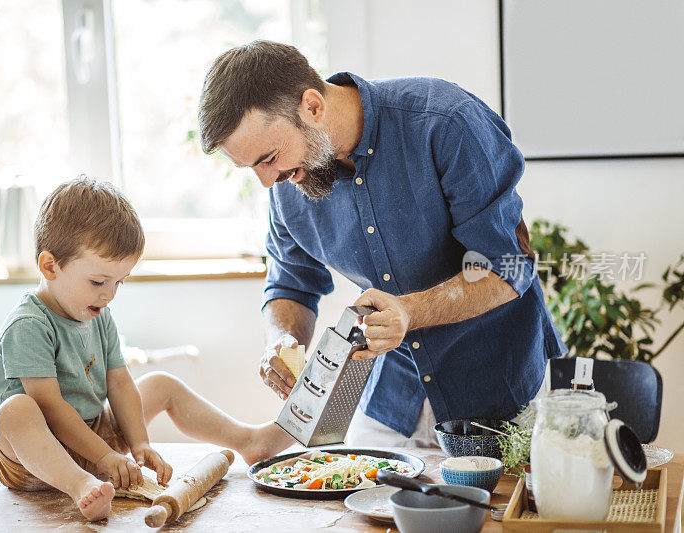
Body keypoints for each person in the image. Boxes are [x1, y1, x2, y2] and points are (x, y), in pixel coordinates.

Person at [197, 41, 566, 448]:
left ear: (313, 107)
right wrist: (281, 340)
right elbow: (291, 286)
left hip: (504, 388)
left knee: (503, 511)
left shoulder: (445, 123)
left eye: (267, 159)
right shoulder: (289, 182)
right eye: (251, 168)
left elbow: (509, 266)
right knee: (356, 506)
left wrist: (410, 310)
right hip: (392, 400)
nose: (267, 182)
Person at [0, 177, 291, 521]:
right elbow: (51, 409)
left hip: (91, 434)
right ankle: (80, 485)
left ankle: (247, 441)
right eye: (98, 282)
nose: (109, 294)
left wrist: (140, 444)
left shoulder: (98, 314)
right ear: (50, 266)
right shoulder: (29, 325)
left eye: (119, 283)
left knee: (160, 384)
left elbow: (120, 383)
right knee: (17, 410)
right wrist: (103, 457)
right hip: (32, 460)